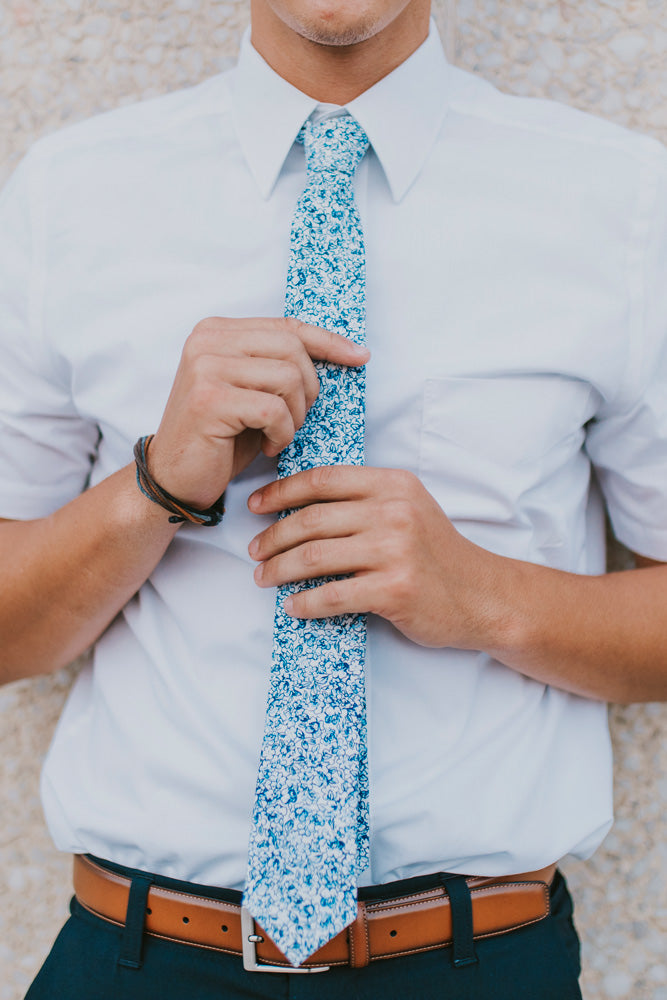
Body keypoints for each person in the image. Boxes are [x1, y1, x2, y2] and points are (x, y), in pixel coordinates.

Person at [1, 0, 667, 996]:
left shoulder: (617, 202)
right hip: (137, 960)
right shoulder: (72, 193)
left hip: (478, 963)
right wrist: (151, 489)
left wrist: (483, 596)